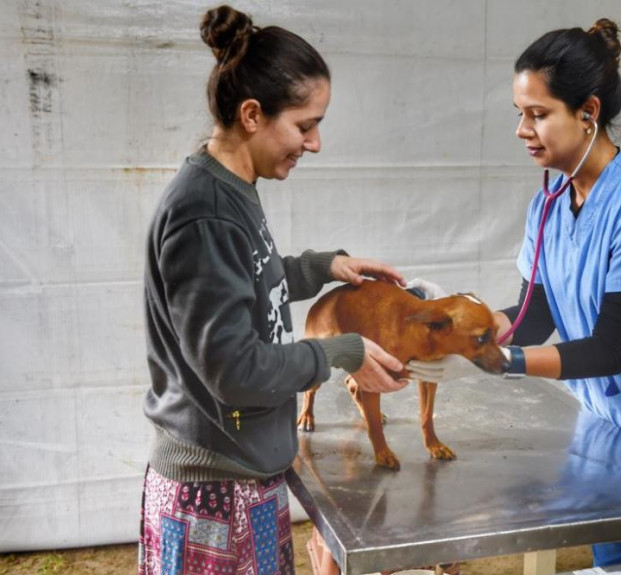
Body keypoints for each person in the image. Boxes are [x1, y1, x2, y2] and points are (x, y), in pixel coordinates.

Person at [406, 18, 621, 567]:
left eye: (538, 114)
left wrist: (495, 361)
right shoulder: (548, 206)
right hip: (612, 440)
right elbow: (534, 312)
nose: (522, 129)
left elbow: (613, 348)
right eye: (519, 114)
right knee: (616, 566)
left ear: (588, 112)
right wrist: (455, 325)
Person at [138, 6, 409, 574]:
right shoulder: (204, 213)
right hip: (212, 494)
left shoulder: (234, 189)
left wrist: (323, 267)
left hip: (245, 476)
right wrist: (343, 351)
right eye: (305, 125)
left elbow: (245, 279)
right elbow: (235, 371)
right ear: (253, 114)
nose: (314, 144)